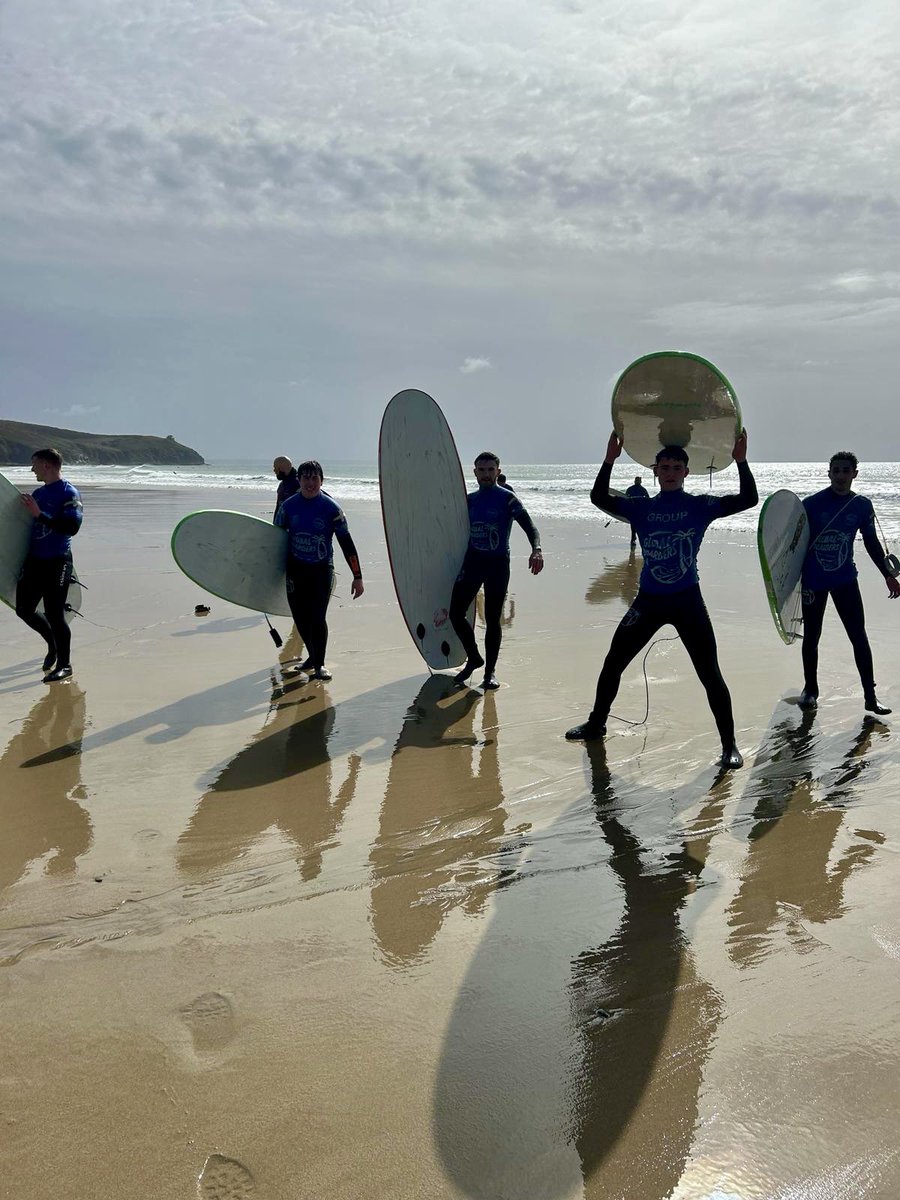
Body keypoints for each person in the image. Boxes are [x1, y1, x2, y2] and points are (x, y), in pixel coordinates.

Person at [566, 430, 757, 769]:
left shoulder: (700, 506)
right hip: (648, 601)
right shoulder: (641, 508)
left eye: (676, 467)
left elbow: (748, 499)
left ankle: (729, 746)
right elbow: (599, 497)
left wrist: (741, 461)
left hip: (687, 601)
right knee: (613, 662)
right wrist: (610, 458)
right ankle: (597, 724)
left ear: (686, 472)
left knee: (710, 673)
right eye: (664, 467)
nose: (669, 472)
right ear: (655, 471)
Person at [797, 451, 899, 714]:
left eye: (846, 471)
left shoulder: (862, 506)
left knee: (858, 636)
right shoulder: (811, 504)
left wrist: (888, 575)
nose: (841, 476)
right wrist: (785, 585)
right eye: (836, 470)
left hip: (844, 579)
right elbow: (792, 546)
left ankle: (869, 696)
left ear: (855, 473)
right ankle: (810, 690)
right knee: (812, 636)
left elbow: (872, 543)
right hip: (813, 580)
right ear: (828, 472)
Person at [450, 451, 543, 690]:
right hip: (473, 562)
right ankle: (474, 657)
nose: (486, 474)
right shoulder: (468, 500)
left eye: (491, 470)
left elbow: (530, 526)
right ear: (475, 473)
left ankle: (489, 673)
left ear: (498, 472)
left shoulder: (508, 499)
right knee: (455, 613)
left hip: (498, 564)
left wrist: (537, 549)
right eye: (482, 470)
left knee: (492, 619)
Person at [274, 460, 363, 680]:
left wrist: (357, 576)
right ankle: (313, 657)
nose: (310, 482)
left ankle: (320, 664)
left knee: (317, 617)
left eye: (315, 478)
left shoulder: (331, 508)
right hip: (295, 569)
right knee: (300, 617)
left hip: (321, 570)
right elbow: (274, 539)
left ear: (321, 481)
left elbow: (347, 543)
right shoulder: (288, 506)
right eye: (306, 477)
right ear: (299, 480)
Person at [16, 448, 83, 681]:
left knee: (55, 614)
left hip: (58, 561)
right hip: (35, 560)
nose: (32, 469)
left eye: (34, 464)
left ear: (47, 465)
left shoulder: (69, 493)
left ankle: (65, 665)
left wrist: (38, 514)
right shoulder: (39, 493)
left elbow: (72, 527)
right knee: (24, 609)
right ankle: (52, 643)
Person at [624, 474, 649, 549]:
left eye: (638, 481)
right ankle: (633, 539)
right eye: (637, 480)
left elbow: (647, 499)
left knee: (636, 525)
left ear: (640, 481)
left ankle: (634, 538)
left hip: (639, 510)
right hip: (633, 509)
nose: (638, 482)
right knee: (634, 525)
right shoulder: (631, 489)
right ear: (635, 481)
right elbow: (625, 498)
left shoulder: (642, 489)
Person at [272, 455, 300, 520]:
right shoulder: (282, 484)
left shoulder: (299, 484)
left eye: (275, 468)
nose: (274, 471)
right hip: (280, 524)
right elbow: (278, 507)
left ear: (281, 468)